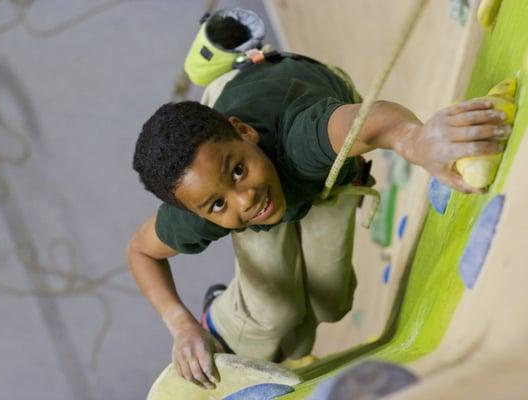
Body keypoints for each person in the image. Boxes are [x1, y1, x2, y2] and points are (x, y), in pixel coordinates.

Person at [127, 15, 510, 392]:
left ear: (244, 133)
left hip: (298, 135)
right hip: (252, 147)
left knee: (331, 303)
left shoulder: (302, 142)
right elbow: (141, 253)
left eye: (239, 171)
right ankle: (223, 327)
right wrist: (182, 325)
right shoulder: (204, 197)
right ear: (194, 211)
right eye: (215, 206)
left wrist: (418, 139)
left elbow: (369, 122)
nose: (245, 199)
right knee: (273, 312)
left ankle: (235, 64)